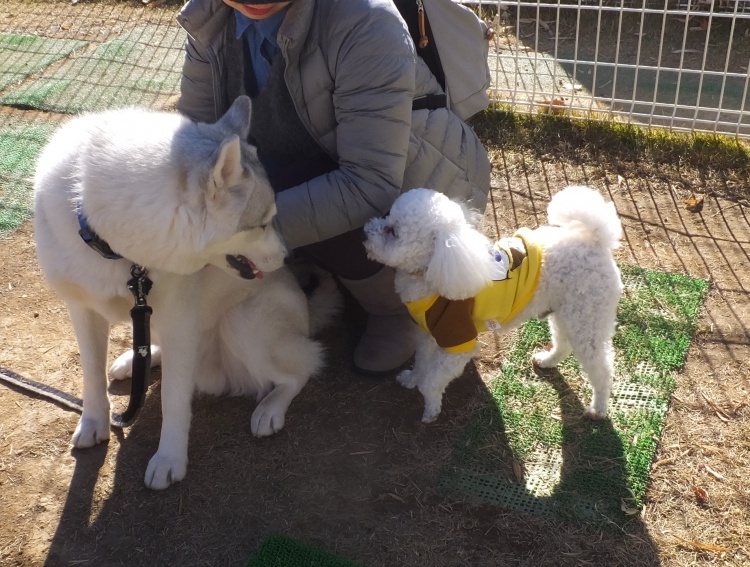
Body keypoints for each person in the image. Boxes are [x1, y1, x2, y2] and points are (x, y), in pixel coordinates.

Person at [175, 0, 491, 375]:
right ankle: (306, 263)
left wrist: (234, 231)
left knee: (301, 195)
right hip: (295, 161)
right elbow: (195, 136)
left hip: (409, 178)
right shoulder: (210, 16)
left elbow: (368, 183)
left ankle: (395, 307)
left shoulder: (366, 21)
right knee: (226, 190)